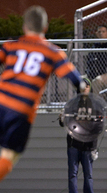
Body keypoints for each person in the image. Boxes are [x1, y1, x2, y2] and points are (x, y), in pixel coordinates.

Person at [0, 6, 84, 182]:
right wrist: (83, 94)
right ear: (45, 28)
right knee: (9, 154)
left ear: (24, 27)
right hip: (21, 110)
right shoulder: (53, 52)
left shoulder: (11, 46)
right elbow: (77, 81)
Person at [59, 77, 98, 193]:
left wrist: (94, 148)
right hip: (73, 144)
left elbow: (97, 127)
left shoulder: (94, 104)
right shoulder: (72, 104)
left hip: (88, 145)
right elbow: (63, 122)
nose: (85, 88)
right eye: (83, 86)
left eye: (87, 86)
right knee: (72, 174)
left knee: (88, 174)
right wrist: (62, 118)